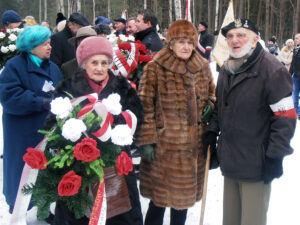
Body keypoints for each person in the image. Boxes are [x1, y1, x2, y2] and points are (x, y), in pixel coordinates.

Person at [202, 19, 297, 225]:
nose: (234, 40)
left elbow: (286, 117)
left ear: (255, 39)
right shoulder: (228, 67)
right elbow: (220, 107)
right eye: (230, 36)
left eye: (241, 35)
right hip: (231, 161)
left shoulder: (272, 69)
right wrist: (212, 132)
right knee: (231, 220)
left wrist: (275, 156)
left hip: (256, 164)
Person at [49, 36, 144, 225]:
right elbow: (51, 124)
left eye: (104, 62)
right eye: (94, 62)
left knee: (119, 213)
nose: (100, 68)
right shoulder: (67, 87)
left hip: (116, 164)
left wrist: (116, 123)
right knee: (79, 214)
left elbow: (137, 116)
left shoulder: (121, 86)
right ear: (84, 64)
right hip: (79, 165)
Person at [136, 20, 215, 225]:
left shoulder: (203, 67)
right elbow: (144, 106)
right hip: (164, 148)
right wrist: (147, 141)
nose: (186, 46)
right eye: (181, 41)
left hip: (192, 147)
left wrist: (211, 105)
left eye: (190, 42)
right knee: (159, 201)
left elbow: (213, 93)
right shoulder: (155, 68)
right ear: (170, 43)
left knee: (182, 203)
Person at [0, 25, 63, 214]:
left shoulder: (52, 67)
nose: (49, 47)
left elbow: (61, 91)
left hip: (48, 132)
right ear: (31, 46)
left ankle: (46, 210)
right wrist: (40, 102)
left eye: (49, 43)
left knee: (47, 175)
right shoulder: (14, 67)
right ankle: (19, 209)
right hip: (23, 134)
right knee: (22, 176)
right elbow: (10, 97)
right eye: (45, 44)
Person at [289, 33, 300, 120]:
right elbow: (293, 63)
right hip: (295, 75)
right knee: (294, 95)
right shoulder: (296, 49)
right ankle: (296, 112)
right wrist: (289, 73)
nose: (295, 40)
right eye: (295, 38)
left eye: (297, 38)